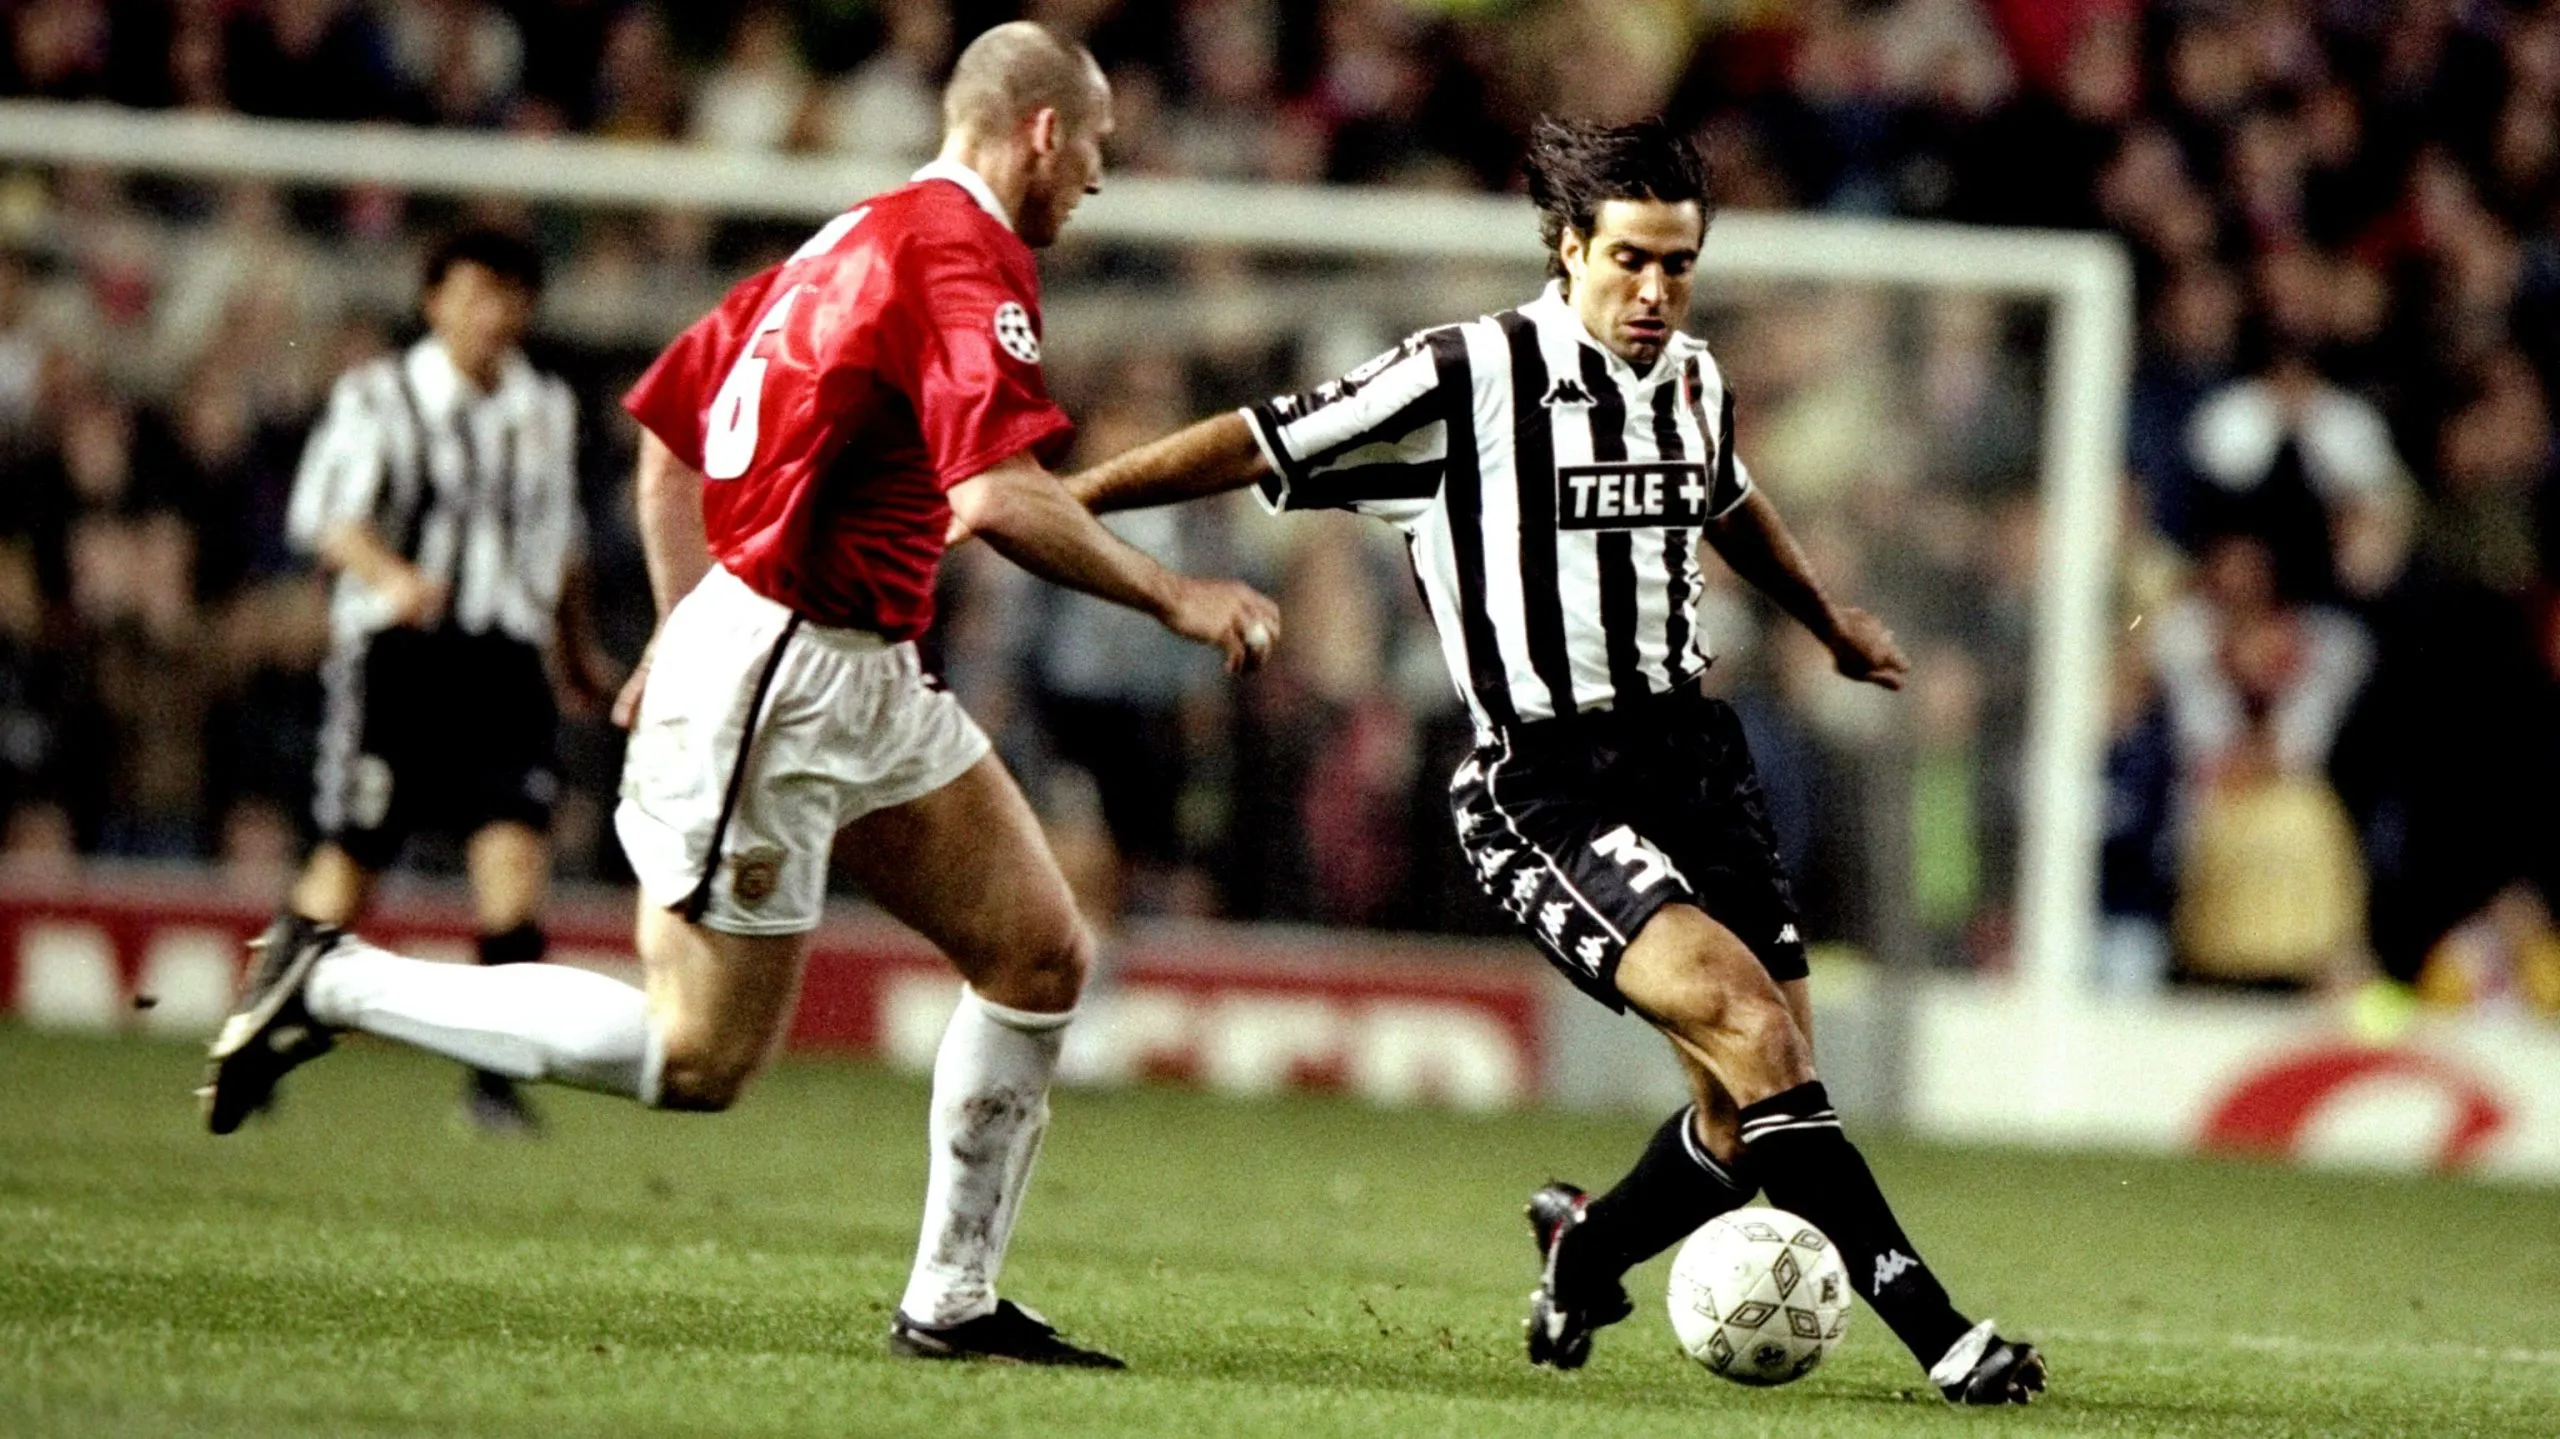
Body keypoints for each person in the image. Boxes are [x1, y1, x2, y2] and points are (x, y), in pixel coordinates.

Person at [202, 21, 1280, 1369]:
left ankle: (951, 1297)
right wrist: (1177, 595)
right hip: (791, 669)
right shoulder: (962, 252)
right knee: (697, 1055)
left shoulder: (845, 240)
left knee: (1038, 953)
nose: (1102, 180)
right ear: (1044, 132)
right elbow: (994, 492)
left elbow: (666, 442)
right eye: (1100, 147)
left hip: (837, 658)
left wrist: (681, 619)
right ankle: (336, 976)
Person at [1052, 118, 2045, 1404]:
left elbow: (1729, 498)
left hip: (1697, 758)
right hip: (1547, 784)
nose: (1653, 292)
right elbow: (1258, 437)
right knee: (1752, 1028)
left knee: (1749, 1119)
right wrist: (1060, 503)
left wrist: (1827, 623)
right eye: (1628, 260)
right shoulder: (1463, 374)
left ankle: (1586, 1250)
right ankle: (1940, 1328)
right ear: (1566, 246)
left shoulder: (1692, 376)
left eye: (1677, 265)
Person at [272, 226, 607, 1134]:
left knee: (513, 859)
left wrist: (575, 657)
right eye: (472, 294)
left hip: (504, 654)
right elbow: (326, 518)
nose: (490, 314)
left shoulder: (546, 407)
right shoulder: (380, 394)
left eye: (507, 296)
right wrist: (393, 578)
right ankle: (257, 1040)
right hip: (401, 653)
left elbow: (560, 541)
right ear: (434, 301)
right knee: (353, 860)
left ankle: (491, 1085)